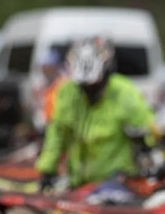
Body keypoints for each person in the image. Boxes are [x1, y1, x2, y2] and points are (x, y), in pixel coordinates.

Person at [34, 36, 155, 190]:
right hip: (78, 182)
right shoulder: (67, 92)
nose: (88, 91)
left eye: (94, 85)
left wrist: (146, 147)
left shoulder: (124, 92)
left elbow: (148, 131)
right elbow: (56, 135)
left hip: (115, 179)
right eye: (83, 87)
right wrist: (47, 170)